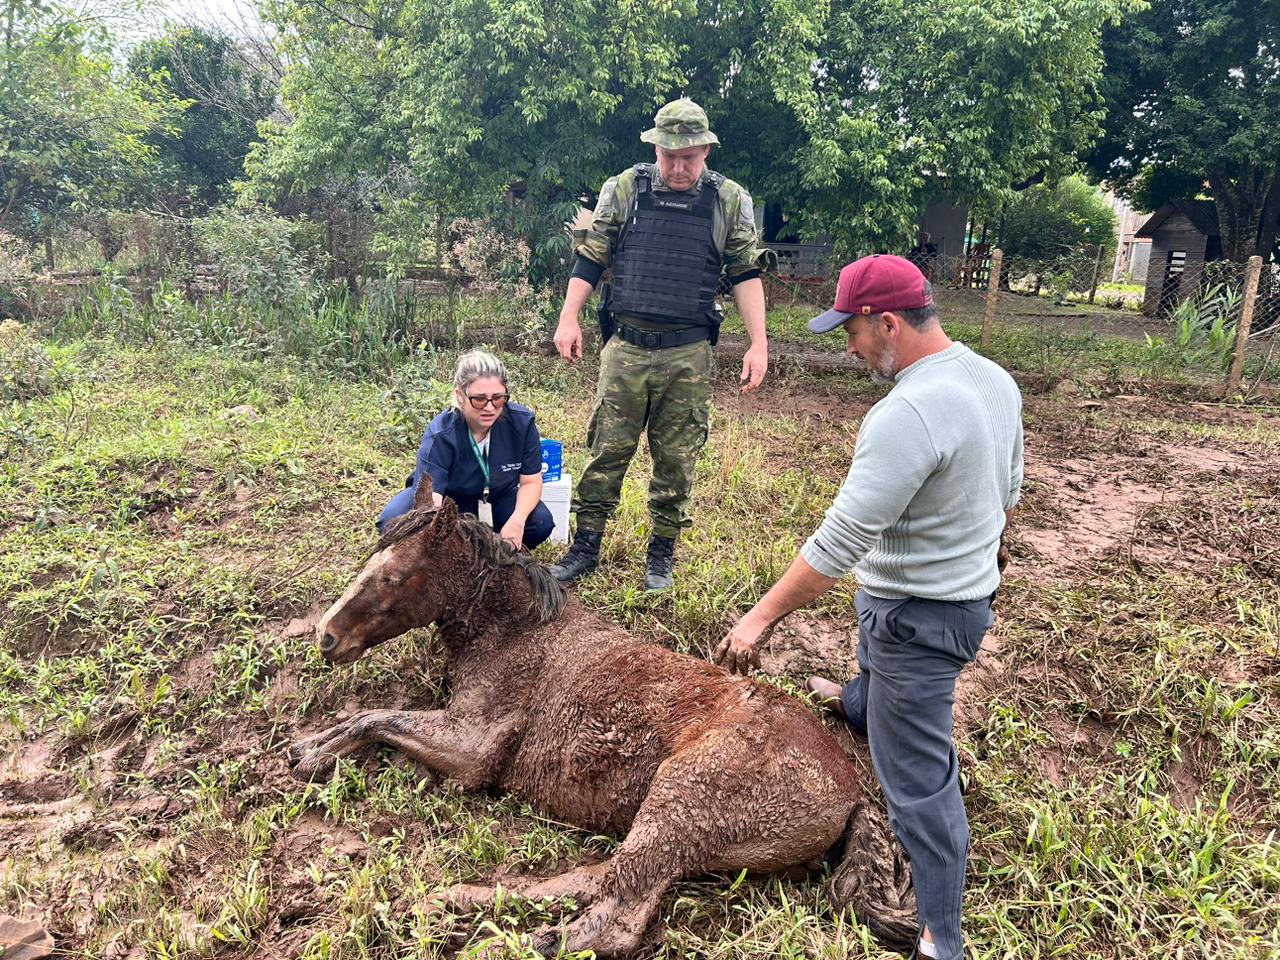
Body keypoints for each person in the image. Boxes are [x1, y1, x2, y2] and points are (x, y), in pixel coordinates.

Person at [714, 255, 1024, 960]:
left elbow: (839, 543)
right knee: (875, 668)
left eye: (849, 331)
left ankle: (942, 938)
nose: (847, 348)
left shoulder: (907, 411)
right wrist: (980, 565)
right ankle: (861, 699)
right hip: (963, 599)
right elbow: (1008, 495)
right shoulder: (992, 379)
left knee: (918, 782)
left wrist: (757, 618)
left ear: (887, 323)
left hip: (920, 619)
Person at [549, 97, 773, 592]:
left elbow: (745, 273)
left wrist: (758, 343)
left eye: (688, 157)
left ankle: (661, 553)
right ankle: (586, 545)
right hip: (625, 346)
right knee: (606, 449)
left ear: (706, 151)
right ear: (655, 148)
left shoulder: (730, 200)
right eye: (667, 155)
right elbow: (591, 258)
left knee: (677, 456)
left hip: (688, 353)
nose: (676, 167)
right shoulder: (625, 189)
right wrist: (569, 317)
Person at [378, 350, 554, 551]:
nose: (489, 407)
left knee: (540, 522)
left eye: (497, 398)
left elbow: (531, 481)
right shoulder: (442, 434)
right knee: (393, 523)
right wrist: (441, 530)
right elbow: (431, 498)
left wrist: (517, 520)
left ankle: (499, 555)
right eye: (479, 399)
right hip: (447, 500)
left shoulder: (522, 423)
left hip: (496, 496)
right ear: (459, 396)